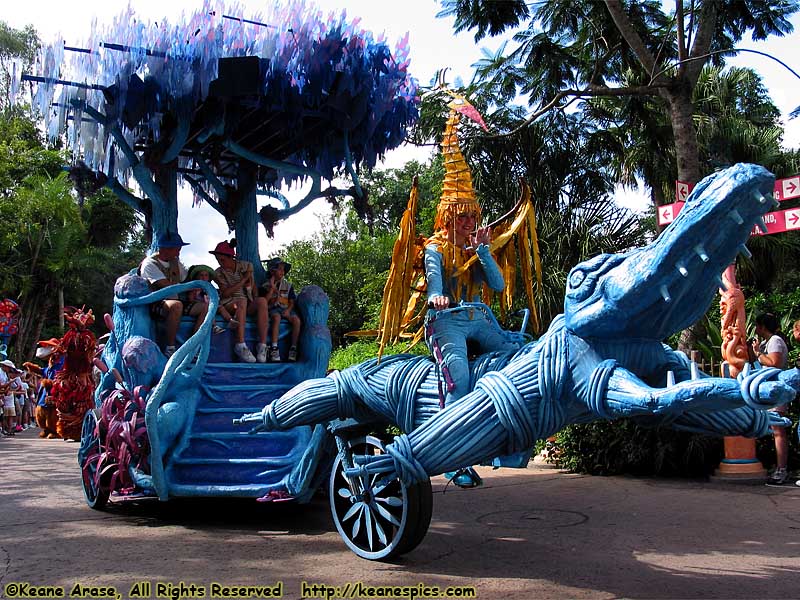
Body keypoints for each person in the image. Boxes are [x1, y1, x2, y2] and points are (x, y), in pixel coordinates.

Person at [139, 231, 208, 357]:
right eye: (177, 249)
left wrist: (200, 280)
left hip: (176, 299)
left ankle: (193, 345)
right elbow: (166, 286)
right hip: (156, 302)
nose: (179, 252)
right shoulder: (150, 264)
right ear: (166, 249)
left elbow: (186, 278)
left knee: (205, 306)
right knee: (176, 306)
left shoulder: (175, 262)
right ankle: (170, 348)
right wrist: (189, 288)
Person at [210, 240, 270, 363]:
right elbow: (226, 293)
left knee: (262, 301)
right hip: (230, 303)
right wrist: (243, 281)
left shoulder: (246, 266)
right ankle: (240, 344)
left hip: (246, 302)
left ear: (231, 257)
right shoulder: (218, 273)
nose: (220, 263)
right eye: (218, 260)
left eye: (222, 260)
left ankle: (262, 346)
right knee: (241, 302)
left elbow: (252, 287)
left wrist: (252, 292)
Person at [749, 312, 789, 485]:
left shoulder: (775, 341)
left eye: (757, 325)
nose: (756, 329)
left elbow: (775, 363)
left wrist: (758, 353)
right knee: (772, 429)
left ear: (763, 327)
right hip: (766, 390)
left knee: (778, 429)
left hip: (776, 390)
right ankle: (778, 466)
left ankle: (782, 469)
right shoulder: (766, 343)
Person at [262, 257, 301, 362]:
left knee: (296, 320)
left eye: (283, 270)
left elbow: (292, 301)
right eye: (279, 269)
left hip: (286, 308)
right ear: (272, 271)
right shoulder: (265, 286)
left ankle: (293, 348)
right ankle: (274, 348)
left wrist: (288, 310)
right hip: (273, 309)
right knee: (276, 317)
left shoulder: (288, 285)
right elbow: (264, 302)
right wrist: (272, 289)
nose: (282, 272)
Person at [185, 264, 235, 335]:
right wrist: (196, 295)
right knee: (209, 307)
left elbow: (215, 298)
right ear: (197, 277)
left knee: (220, 307)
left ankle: (230, 320)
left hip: (208, 304)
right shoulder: (195, 287)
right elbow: (190, 299)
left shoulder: (210, 288)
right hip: (195, 306)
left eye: (206, 275)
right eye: (201, 275)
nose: (204, 277)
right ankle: (214, 326)